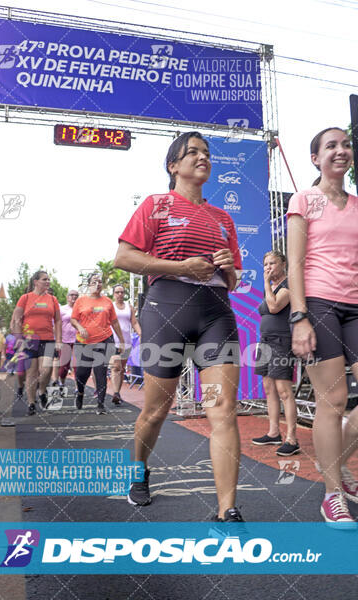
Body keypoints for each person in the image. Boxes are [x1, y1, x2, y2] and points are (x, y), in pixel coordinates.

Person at [114, 131, 243, 522]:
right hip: (166, 309)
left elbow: (235, 279)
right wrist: (182, 267)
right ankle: (139, 471)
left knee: (222, 408)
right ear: (174, 166)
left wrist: (226, 267)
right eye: (192, 153)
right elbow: (123, 257)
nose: (202, 157)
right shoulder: (156, 205)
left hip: (216, 313)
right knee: (156, 410)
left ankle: (227, 510)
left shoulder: (224, 218)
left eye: (206, 152)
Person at [287, 126, 358, 525]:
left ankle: (338, 469)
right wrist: (299, 317)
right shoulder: (305, 199)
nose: (341, 150)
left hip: (356, 306)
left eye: (346, 145)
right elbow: (294, 263)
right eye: (331, 145)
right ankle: (332, 493)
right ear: (315, 159)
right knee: (332, 402)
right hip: (318, 304)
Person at [252, 251, 299, 456]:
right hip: (265, 342)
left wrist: (264, 283)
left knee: (283, 390)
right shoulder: (271, 287)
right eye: (265, 264)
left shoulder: (288, 285)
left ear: (283, 264)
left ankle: (292, 438)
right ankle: (273, 433)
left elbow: (273, 307)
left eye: (272, 263)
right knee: (268, 386)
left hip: (282, 342)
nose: (268, 267)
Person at [70, 273, 125, 414]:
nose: (98, 284)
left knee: (100, 371)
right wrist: (80, 328)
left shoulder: (107, 301)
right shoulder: (81, 301)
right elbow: (74, 320)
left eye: (100, 282)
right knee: (82, 372)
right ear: (89, 285)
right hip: (84, 342)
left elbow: (114, 322)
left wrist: (122, 340)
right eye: (94, 281)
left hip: (104, 340)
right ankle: (80, 393)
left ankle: (100, 404)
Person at [11, 271, 62, 416]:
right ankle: (31, 403)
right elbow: (16, 320)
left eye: (48, 279)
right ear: (35, 282)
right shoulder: (25, 298)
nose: (48, 282)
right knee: (31, 373)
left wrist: (58, 340)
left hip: (47, 339)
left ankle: (42, 390)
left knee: (45, 370)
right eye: (44, 279)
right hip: (29, 340)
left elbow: (58, 321)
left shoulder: (52, 299)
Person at [110, 284, 141, 405]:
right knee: (116, 367)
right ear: (114, 294)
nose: (120, 294)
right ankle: (116, 393)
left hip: (126, 342)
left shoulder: (129, 307)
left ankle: (118, 393)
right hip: (113, 341)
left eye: (122, 292)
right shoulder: (110, 307)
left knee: (121, 369)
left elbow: (134, 322)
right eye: (117, 292)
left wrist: (140, 334)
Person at [51, 289, 79, 389]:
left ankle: (77, 388)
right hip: (65, 340)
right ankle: (62, 382)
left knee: (77, 365)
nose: (74, 297)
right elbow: (55, 325)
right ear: (67, 297)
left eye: (76, 295)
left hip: (78, 340)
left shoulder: (80, 309)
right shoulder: (61, 309)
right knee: (64, 367)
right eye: (71, 295)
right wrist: (58, 339)